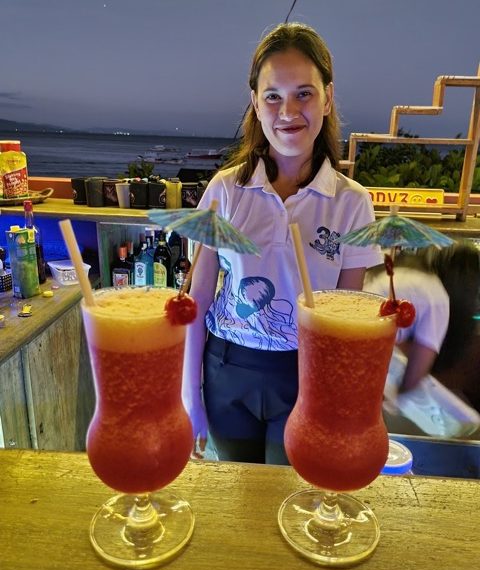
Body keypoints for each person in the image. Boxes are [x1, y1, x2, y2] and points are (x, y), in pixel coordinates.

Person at [182, 22, 382, 464]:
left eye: (304, 93)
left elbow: (346, 321)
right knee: (237, 491)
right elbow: (198, 298)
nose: (288, 111)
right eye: (273, 96)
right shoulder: (225, 190)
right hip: (226, 369)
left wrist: (339, 402)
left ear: (327, 98)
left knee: (288, 492)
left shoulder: (351, 203)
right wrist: (188, 396)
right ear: (256, 103)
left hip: (306, 376)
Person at [364, 240, 480, 437]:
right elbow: (416, 371)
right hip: (365, 362)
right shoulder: (437, 298)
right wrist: (397, 401)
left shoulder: (406, 277)